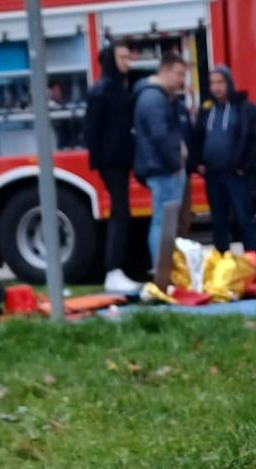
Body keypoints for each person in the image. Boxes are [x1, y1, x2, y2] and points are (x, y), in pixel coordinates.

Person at [190, 66, 256, 260]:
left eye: (220, 82)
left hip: (236, 175)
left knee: (244, 218)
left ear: (229, 83)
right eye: (213, 83)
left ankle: (252, 261)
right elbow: (196, 138)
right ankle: (222, 263)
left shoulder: (245, 108)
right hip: (213, 175)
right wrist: (197, 162)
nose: (216, 87)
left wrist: (246, 166)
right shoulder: (207, 110)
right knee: (218, 220)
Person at [83, 41, 138, 287]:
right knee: (120, 212)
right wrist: (103, 159)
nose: (128, 62)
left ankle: (118, 269)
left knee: (122, 212)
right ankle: (113, 270)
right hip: (113, 160)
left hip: (120, 159)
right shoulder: (102, 90)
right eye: (123, 57)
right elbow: (92, 130)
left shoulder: (118, 87)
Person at [133, 54, 192, 271]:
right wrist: (175, 163)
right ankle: (162, 268)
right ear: (165, 71)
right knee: (163, 221)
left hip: (163, 167)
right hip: (164, 169)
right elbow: (160, 135)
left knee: (166, 220)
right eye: (179, 74)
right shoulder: (154, 99)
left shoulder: (158, 97)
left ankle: (165, 267)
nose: (181, 80)